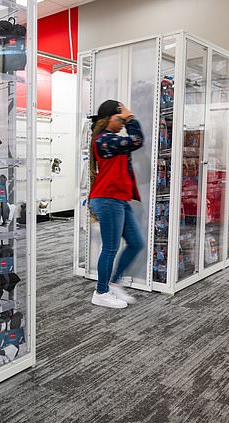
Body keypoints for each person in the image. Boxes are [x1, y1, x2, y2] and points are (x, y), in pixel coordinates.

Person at [88, 100, 145, 309]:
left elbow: (132, 143)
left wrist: (126, 118)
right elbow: (137, 140)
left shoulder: (113, 140)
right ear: (107, 120)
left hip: (118, 199)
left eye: (123, 120)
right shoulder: (104, 141)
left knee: (136, 243)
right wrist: (130, 118)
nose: (122, 123)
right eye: (119, 119)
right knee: (111, 248)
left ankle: (112, 284)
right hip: (107, 199)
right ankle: (100, 292)